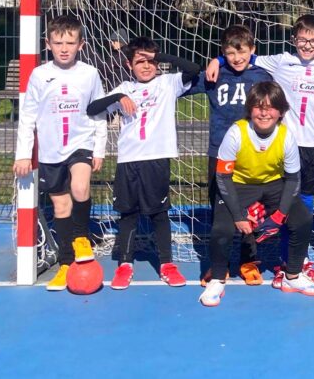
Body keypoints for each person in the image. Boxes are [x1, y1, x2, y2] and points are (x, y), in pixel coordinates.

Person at [206, 14, 314, 286]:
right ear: (293, 40)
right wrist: (217, 60)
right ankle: (280, 262)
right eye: (302, 40)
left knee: (303, 205)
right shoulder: (280, 61)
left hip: (313, 145)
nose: (307, 45)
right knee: (278, 200)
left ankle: (298, 261)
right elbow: (244, 55)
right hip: (285, 143)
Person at [86, 36, 200, 290]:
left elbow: (193, 69)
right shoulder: (125, 87)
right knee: (128, 214)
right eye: (140, 61)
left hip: (156, 159)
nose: (146, 66)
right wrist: (117, 96)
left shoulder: (167, 83)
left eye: (151, 61)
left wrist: (159, 57)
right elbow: (92, 108)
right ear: (129, 65)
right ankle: (125, 265)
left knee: (159, 213)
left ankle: (167, 264)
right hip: (129, 160)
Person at [199, 81, 314, 307]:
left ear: (281, 112)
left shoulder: (286, 136)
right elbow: (223, 177)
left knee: (303, 219)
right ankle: (217, 279)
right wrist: (238, 216)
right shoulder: (236, 132)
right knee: (222, 228)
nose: (264, 113)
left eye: (271, 107)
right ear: (250, 109)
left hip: (273, 185)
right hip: (237, 184)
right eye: (258, 107)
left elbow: (293, 179)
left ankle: (292, 276)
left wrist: (279, 216)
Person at [12, 15, 107, 291]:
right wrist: (23, 154)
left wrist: (99, 148)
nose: (64, 48)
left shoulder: (89, 74)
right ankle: (66, 263)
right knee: (61, 206)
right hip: (50, 151)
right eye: (58, 43)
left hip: (81, 143)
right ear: (48, 44)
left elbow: (99, 111)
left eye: (70, 43)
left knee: (80, 187)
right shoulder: (40, 75)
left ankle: (82, 238)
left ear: (81, 45)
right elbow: (28, 116)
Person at [186, 24, 271, 285]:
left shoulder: (262, 76)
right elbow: (181, 85)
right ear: (223, 52)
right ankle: (218, 266)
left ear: (252, 50)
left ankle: (249, 262)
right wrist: (215, 62)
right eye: (230, 53)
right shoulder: (215, 75)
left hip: (251, 154)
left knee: (251, 210)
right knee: (220, 211)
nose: (236, 58)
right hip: (219, 152)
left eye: (242, 52)